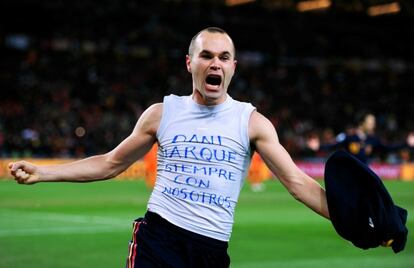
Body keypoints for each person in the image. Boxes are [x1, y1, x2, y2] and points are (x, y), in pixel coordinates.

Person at [9, 27, 330, 268]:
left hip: (212, 249)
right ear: (190, 63)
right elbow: (110, 163)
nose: (215, 63)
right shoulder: (162, 113)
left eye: (223, 57)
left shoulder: (252, 122)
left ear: (234, 66)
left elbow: (298, 183)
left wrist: (360, 222)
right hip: (158, 240)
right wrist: (43, 172)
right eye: (206, 55)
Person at [307, 112, 414, 163]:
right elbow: (333, 146)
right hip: (350, 174)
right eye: (370, 122)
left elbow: (389, 147)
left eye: (373, 122)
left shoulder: (373, 139)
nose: (373, 125)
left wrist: (406, 143)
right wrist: (319, 146)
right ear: (362, 123)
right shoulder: (350, 137)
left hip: (365, 175)